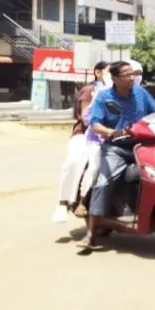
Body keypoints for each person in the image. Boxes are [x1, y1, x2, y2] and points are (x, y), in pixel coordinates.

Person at [79, 60, 155, 249]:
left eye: (134, 74)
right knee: (103, 181)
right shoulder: (104, 97)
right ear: (115, 78)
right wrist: (109, 132)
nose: (132, 78)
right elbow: (95, 123)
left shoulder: (141, 93)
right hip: (115, 148)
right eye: (127, 75)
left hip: (142, 145)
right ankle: (91, 232)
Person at [51, 61, 108, 222]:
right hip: (84, 134)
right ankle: (62, 203)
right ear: (98, 73)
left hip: (107, 135)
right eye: (109, 72)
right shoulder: (90, 90)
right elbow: (86, 117)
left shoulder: (117, 92)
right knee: (74, 161)